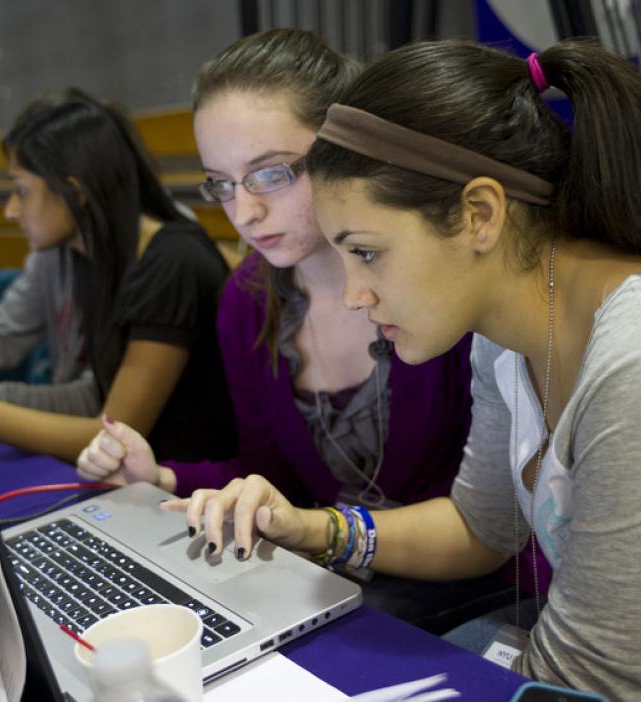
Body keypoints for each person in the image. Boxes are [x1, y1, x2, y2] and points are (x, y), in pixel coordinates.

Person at [158, 39, 641, 701]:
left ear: (480, 215)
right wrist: (312, 528)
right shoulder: (504, 338)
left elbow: (582, 679)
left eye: (367, 253)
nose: (352, 294)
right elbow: (480, 528)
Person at [76, 30, 503, 631]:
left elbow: (494, 521)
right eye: (222, 184)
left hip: (474, 589)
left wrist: (322, 533)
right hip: (345, 578)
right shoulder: (247, 301)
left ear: (344, 150)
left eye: (270, 174)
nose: (244, 213)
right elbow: (272, 470)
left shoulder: (436, 278)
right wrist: (163, 478)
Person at [0, 89, 236, 463]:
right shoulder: (82, 254)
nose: (10, 210)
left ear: (74, 192)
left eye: (21, 191)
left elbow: (114, 437)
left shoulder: (173, 261)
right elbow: (0, 338)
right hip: (137, 478)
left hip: (185, 486)